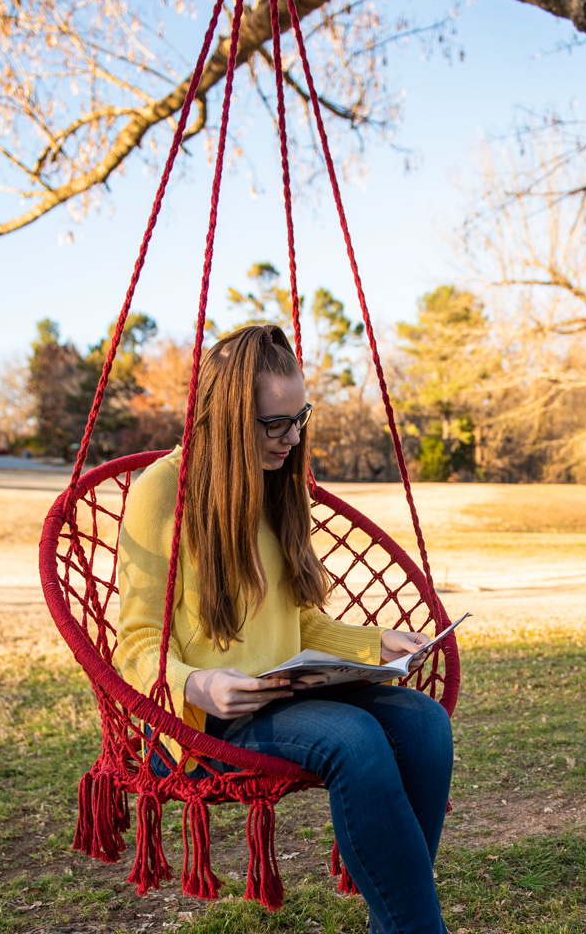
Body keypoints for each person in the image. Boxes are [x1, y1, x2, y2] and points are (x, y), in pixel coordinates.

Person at [115, 323, 453, 934]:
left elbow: (294, 618)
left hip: (283, 691)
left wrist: (372, 643)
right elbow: (134, 644)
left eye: (300, 418)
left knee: (423, 723)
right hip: (201, 720)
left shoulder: (274, 482)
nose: (293, 438)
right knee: (353, 736)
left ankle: (399, 923)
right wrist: (197, 685)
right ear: (225, 418)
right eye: (275, 424)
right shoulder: (163, 492)